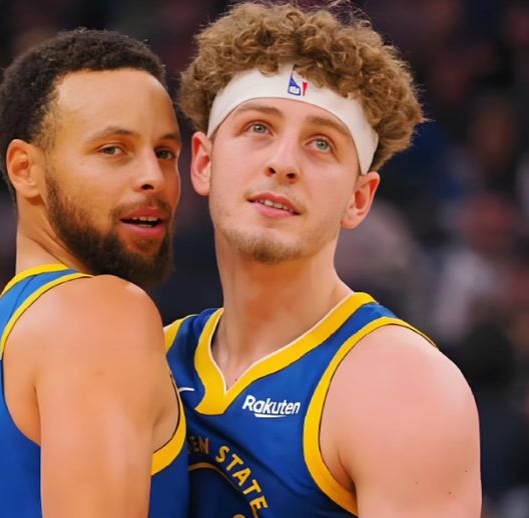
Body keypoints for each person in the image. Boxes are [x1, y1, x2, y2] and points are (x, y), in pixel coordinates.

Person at [164, 2, 481, 517]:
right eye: (258, 128)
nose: (283, 162)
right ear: (203, 161)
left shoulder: (404, 388)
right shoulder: (152, 361)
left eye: (321, 143)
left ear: (359, 199)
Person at [0, 29, 188, 518]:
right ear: (26, 169)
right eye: (113, 149)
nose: (153, 176)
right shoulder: (99, 313)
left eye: (166, 152)